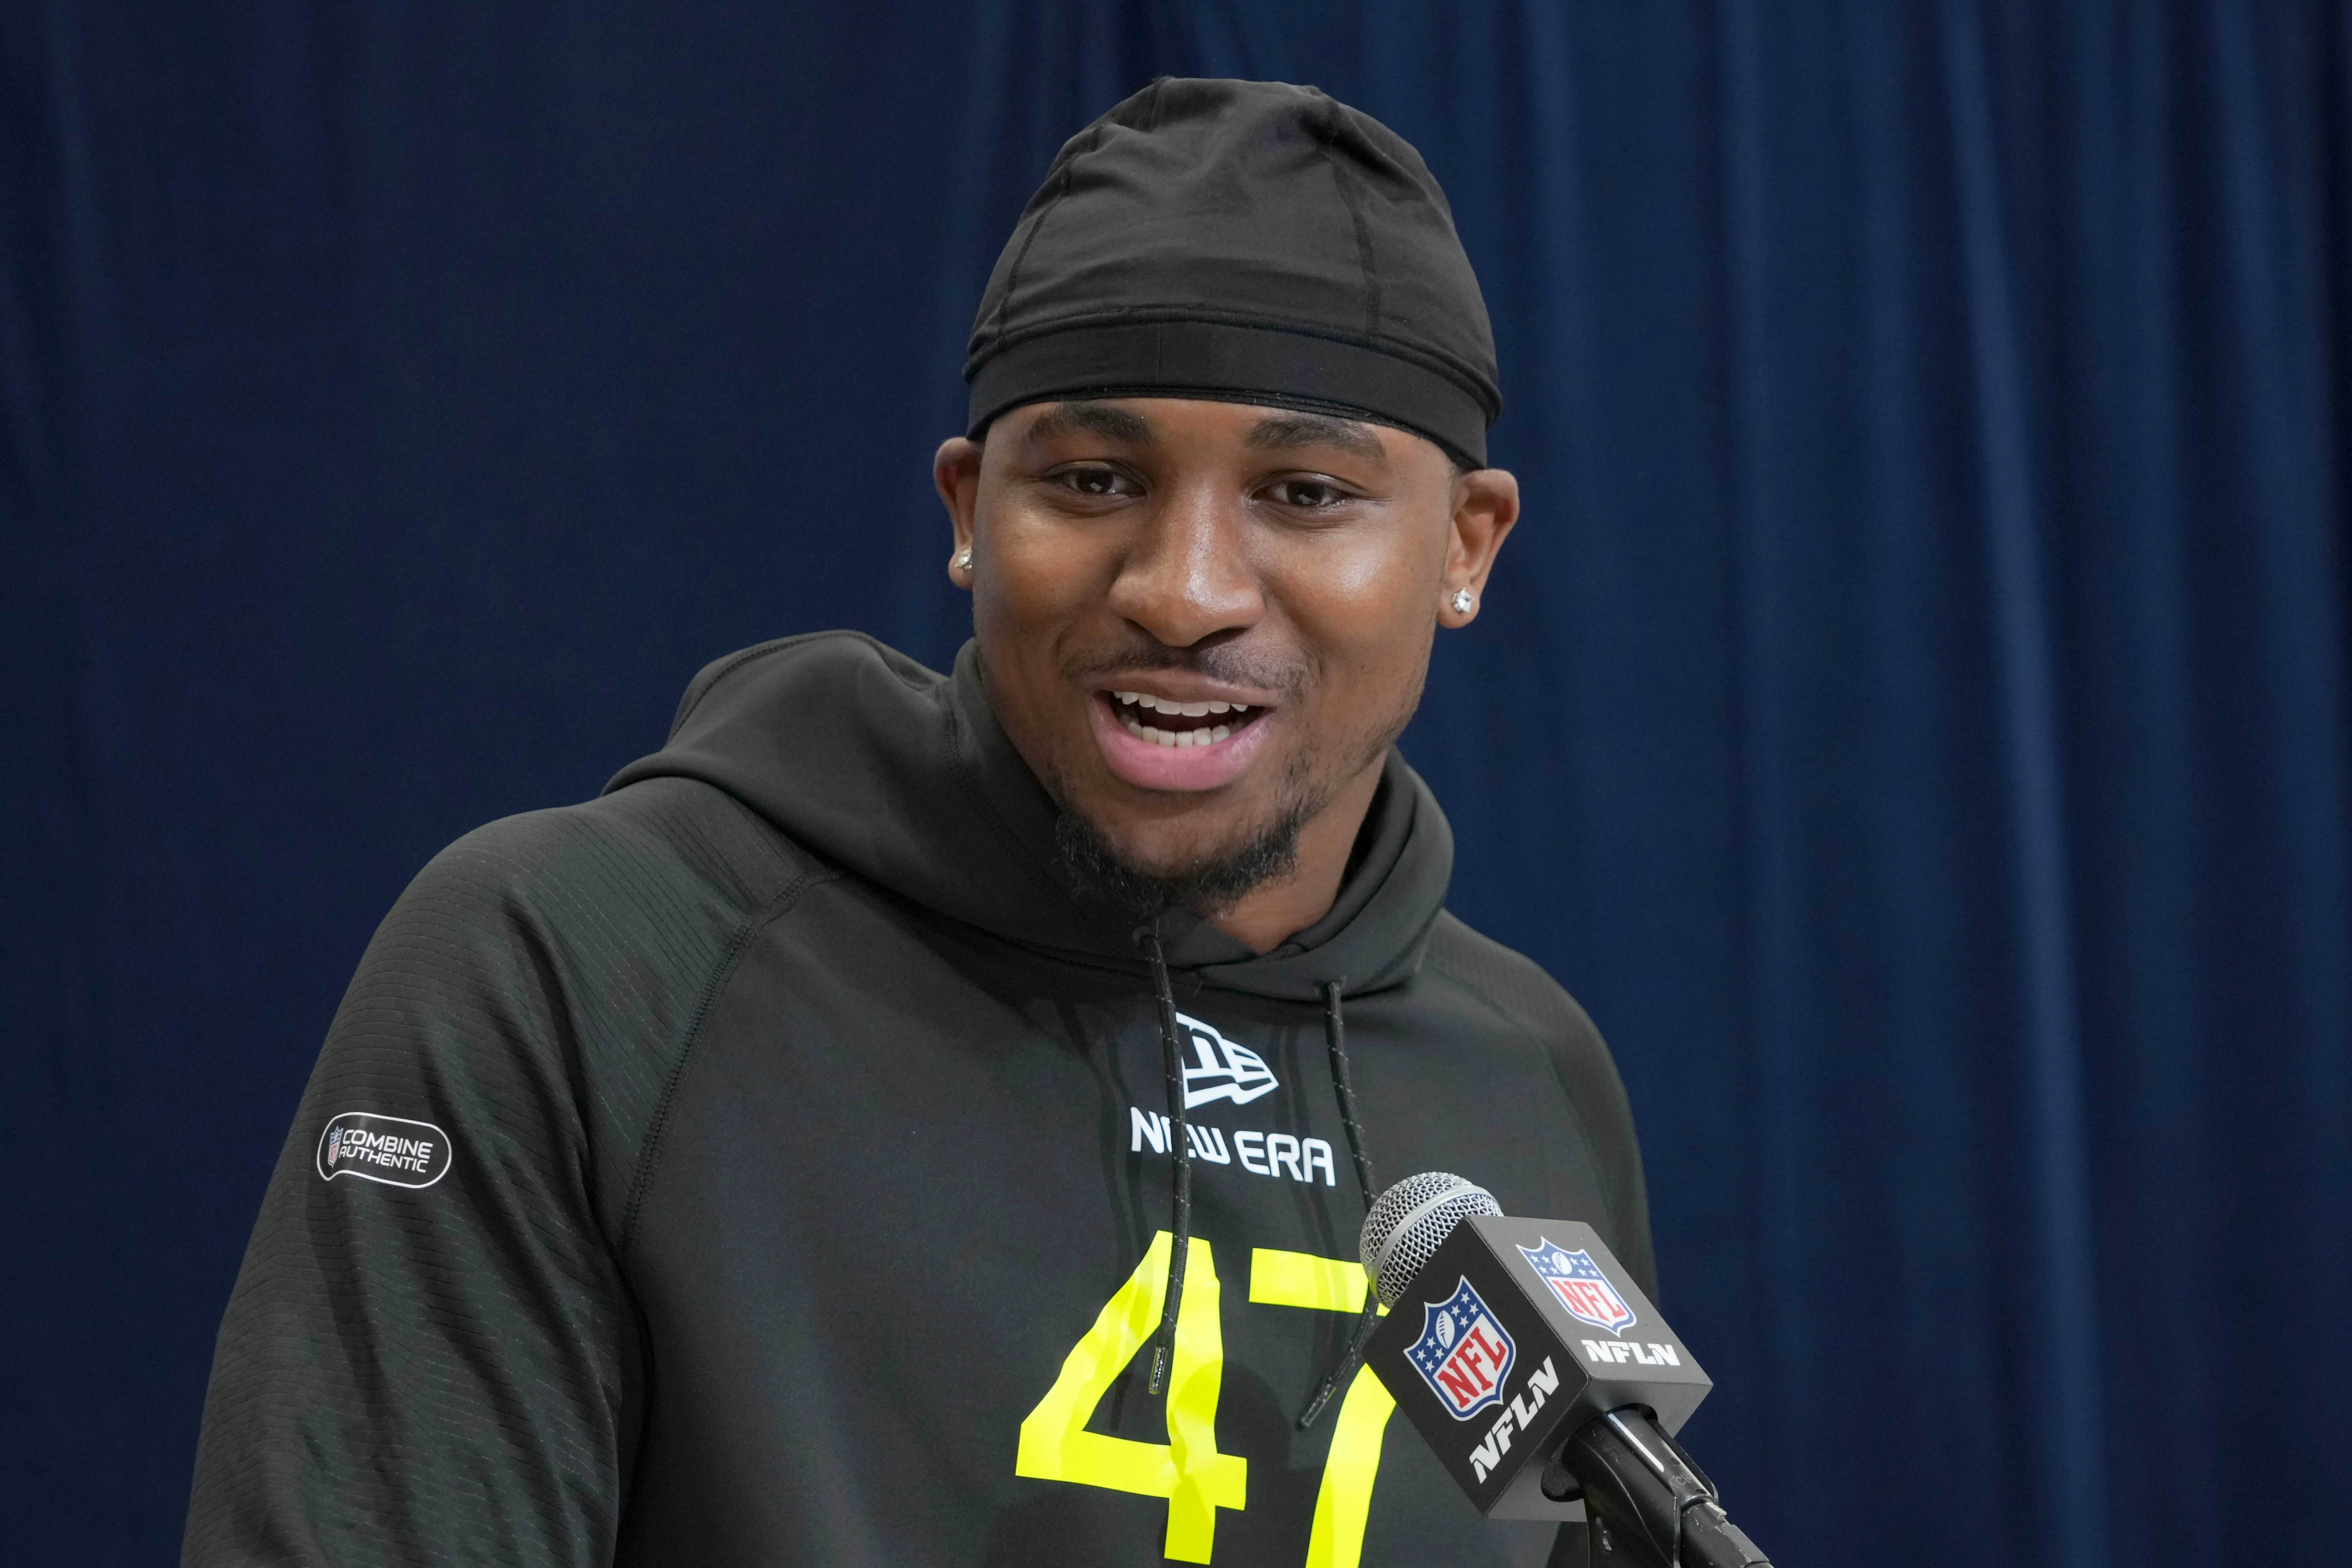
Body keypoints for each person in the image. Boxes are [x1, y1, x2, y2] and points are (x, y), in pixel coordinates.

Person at [183, 78, 1652, 1568]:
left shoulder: (1532, 1080)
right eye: (1093, 479)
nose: (1185, 587)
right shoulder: (583, 970)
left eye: (1305, 491)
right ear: (966, 511)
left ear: (1467, 547)